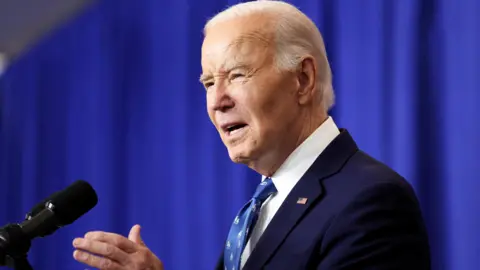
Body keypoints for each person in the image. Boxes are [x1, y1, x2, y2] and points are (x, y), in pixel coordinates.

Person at [72, 1, 431, 269]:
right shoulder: (264, 206)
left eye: (238, 75)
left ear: (302, 79)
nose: (217, 101)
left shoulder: (369, 200)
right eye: (208, 82)